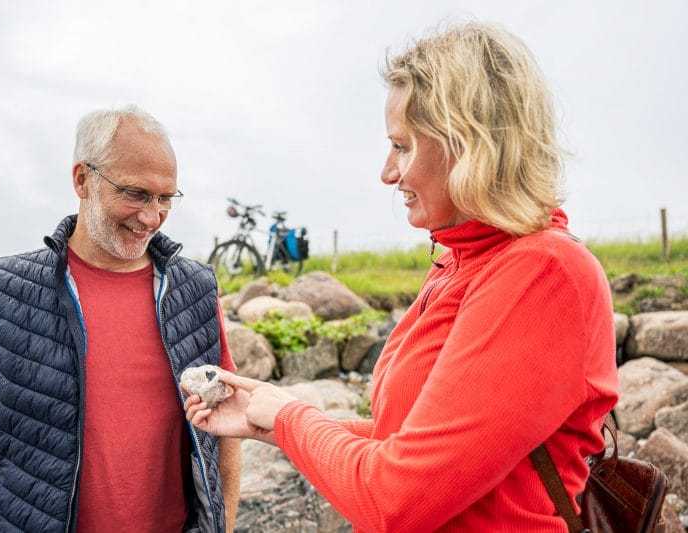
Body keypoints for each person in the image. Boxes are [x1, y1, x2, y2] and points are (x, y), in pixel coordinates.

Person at [185, 23, 619, 532]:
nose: (388, 174)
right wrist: (271, 419)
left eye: (403, 146)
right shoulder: (461, 260)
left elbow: (395, 502)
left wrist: (289, 417)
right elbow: (414, 444)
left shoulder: (541, 273)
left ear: (470, 144)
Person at [0, 106, 241, 533]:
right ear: (82, 179)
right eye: (134, 193)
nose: (152, 217)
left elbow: (222, 437)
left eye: (165, 198)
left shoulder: (196, 291)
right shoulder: (7, 289)